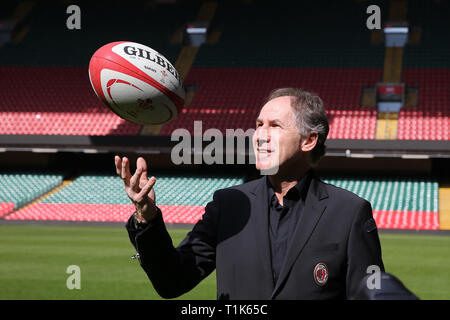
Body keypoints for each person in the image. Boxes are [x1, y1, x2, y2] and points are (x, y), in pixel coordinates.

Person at [115, 87, 384, 300]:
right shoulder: (228, 204)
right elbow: (172, 281)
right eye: (258, 125)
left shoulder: (349, 212)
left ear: (309, 140)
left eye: (274, 126)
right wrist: (146, 218)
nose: (259, 135)